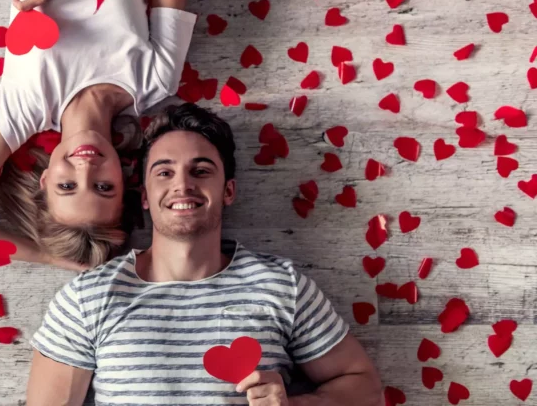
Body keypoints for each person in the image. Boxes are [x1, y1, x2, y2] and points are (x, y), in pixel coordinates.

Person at [25, 103, 383, 406]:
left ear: (228, 191)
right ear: (145, 196)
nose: (183, 184)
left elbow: (365, 388)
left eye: (201, 170)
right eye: (164, 172)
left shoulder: (283, 287)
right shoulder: (88, 298)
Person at [0, 0, 197, 270]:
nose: (86, 168)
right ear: (125, 181)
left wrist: (49, 257)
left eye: (67, 186)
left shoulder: (24, 107)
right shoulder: (157, 79)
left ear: (45, 180)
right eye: (104, 187)